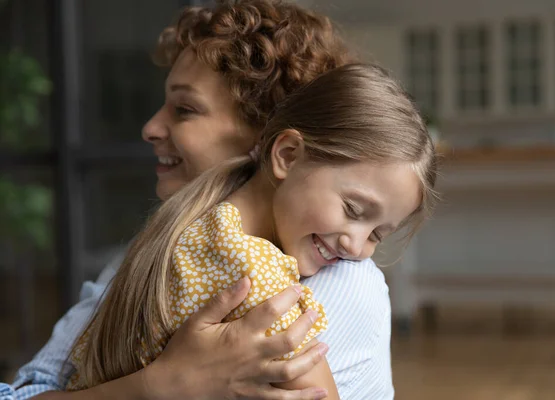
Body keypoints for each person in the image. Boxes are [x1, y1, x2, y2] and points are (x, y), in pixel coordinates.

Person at [0, 1, 413, 399]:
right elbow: (26, 389)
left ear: (271, 140)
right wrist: (156, 387)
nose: (149, 128)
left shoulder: (334, 283)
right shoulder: (148, 250)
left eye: (185, 109)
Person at [64, 63, 437, 400]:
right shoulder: (258, 280)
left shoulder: (192, 217)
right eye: (353, 210)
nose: (355, 245)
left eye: (377, 236)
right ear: (288, 155)